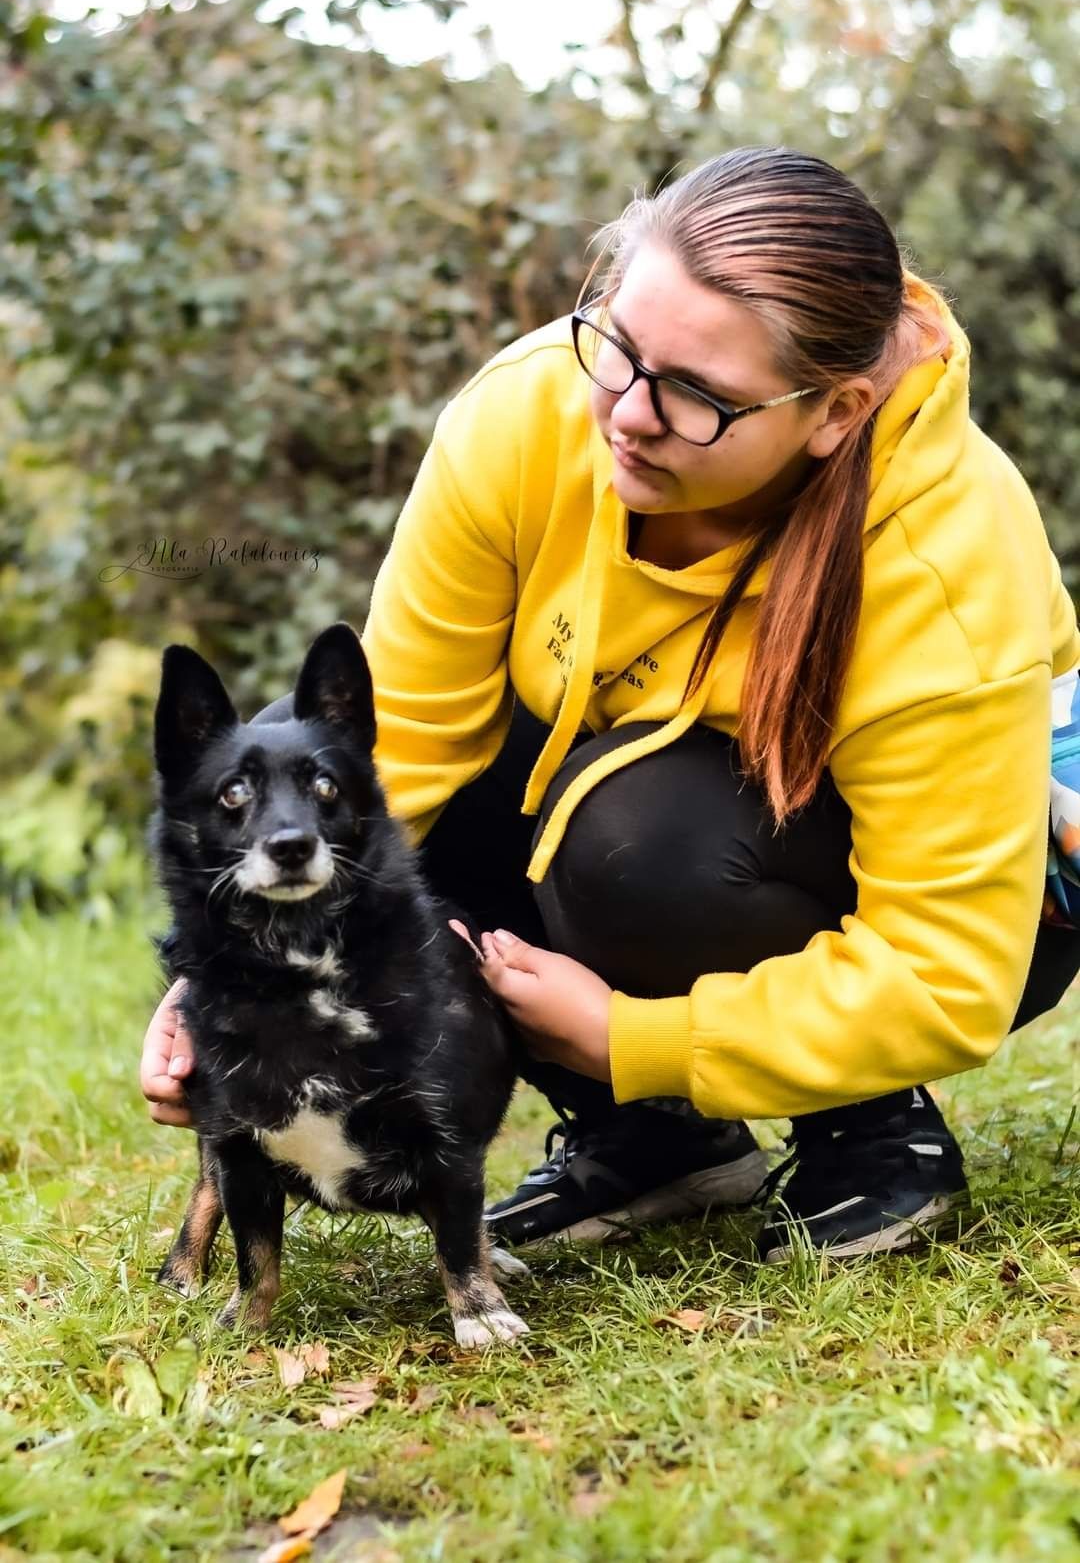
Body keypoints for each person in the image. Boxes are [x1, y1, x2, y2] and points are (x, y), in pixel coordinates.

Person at [141, 146, 1080, 1263]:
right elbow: (402, 768)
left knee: (641, 838)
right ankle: (659, 1141)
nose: (628, 412)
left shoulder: (944, 555)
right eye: (621, 347)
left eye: (697, 396)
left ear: (834, 412)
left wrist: (638, 1037)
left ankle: (873, 1136)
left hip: (981, 902)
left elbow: (945, 969)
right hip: (683, 833)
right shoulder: (525, 419)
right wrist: (230, 974)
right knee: (448, 824)